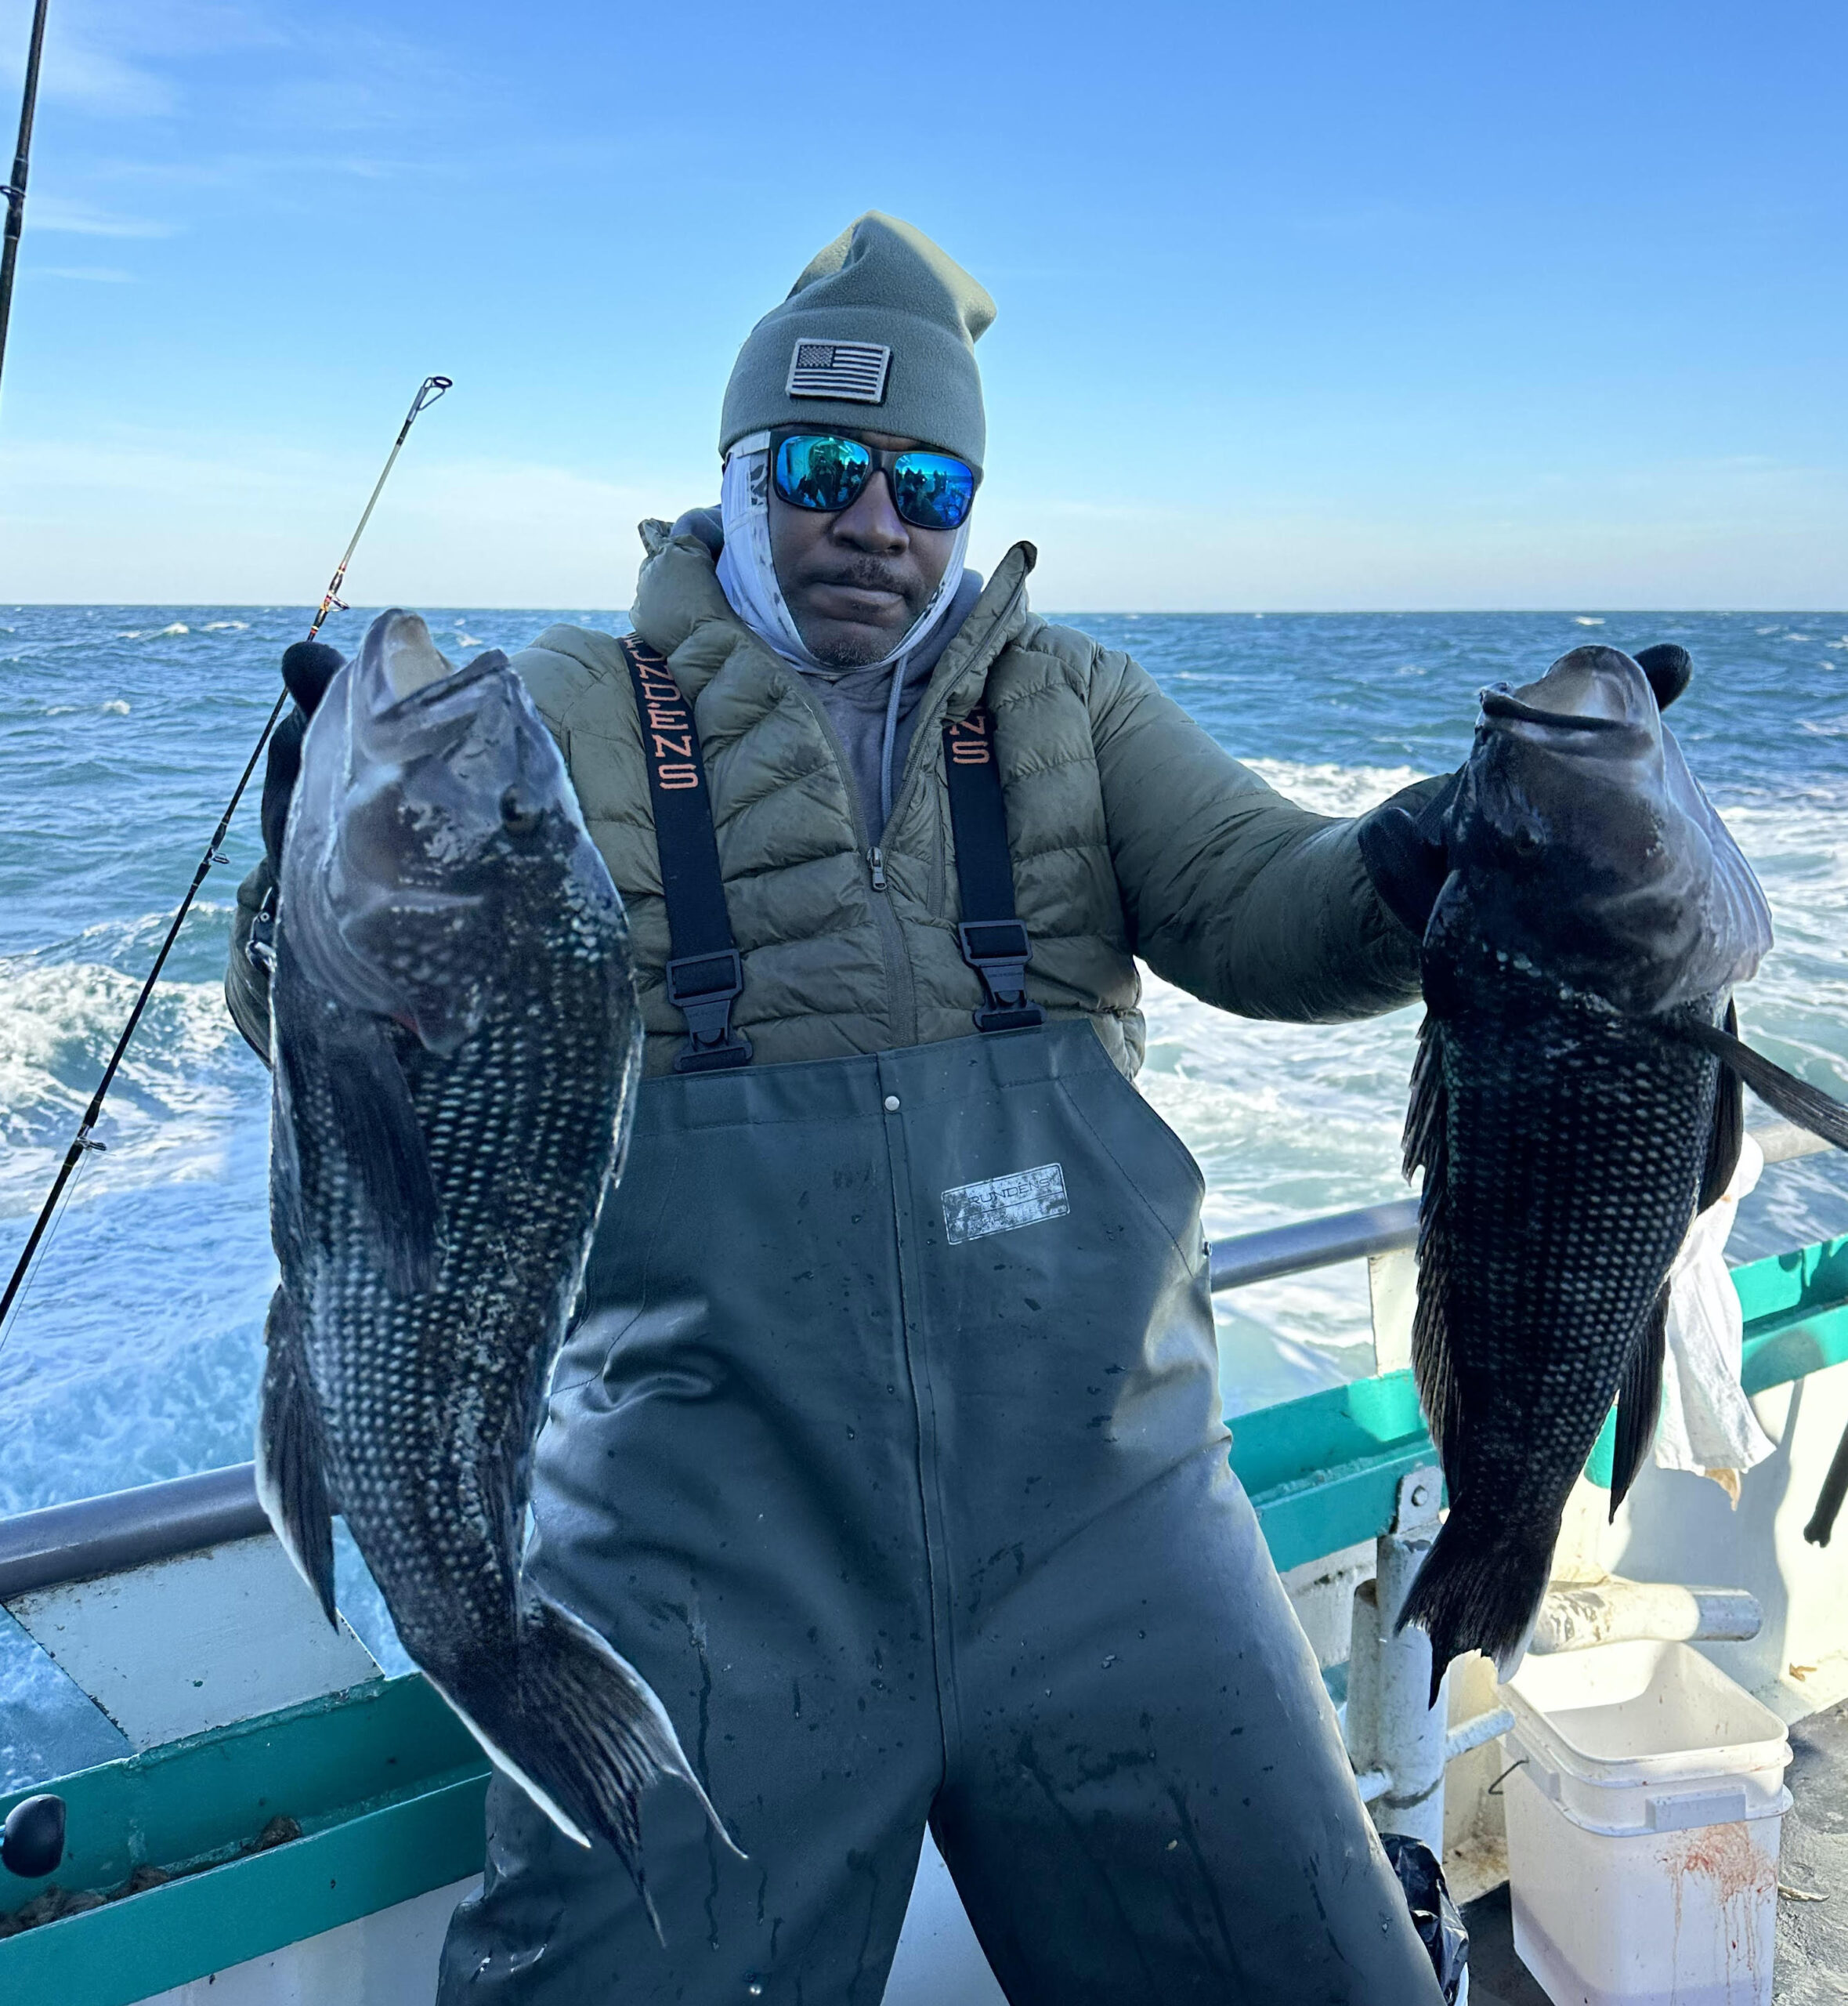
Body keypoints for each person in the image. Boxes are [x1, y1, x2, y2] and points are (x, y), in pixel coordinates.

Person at [230, 212, 1458, 2003]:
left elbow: (1273, 903)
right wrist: (300, 881)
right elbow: (345, 1036)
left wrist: (1445, 851)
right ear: (737, 475)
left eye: (928, 480)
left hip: (1113, 1523)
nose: (875, 522)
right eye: (822, 467)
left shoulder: (1071, 699)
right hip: (708, 1548)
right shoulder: (570, 705)